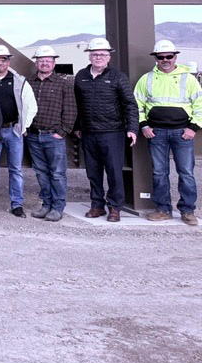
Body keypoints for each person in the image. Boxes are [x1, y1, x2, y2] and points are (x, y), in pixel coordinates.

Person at [135, 39, 202, 226]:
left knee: (186, 172)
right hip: (156, 133)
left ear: (175, 57)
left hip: (182, 133)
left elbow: (200, 105)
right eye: (160, 56)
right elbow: (137, 105)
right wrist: (144, 126)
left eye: (168, 56)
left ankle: (187, 210)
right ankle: (163, 209)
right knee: (159, 172)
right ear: (155, 58)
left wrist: (193, 128)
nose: (165, 59)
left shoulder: (188, 78)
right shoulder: (146, 79)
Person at [73, 38, 137, 222]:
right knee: (93, 172)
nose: (98, 57)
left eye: (102, 54)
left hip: (113, 132)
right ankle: (97, 205)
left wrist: (132, 128)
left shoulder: (118, 77)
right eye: (95, 54)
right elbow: (76, 104)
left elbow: (130, 104)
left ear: (109, 57)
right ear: (90, 56)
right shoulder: (81, 76)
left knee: (114, 172)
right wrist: (77, 126)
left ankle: (115, 208)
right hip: (88, 132)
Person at [0, 45, 38, 217]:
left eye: (3, 59)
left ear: (8, 61)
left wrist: (22, 127)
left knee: (16, 170)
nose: (0, 62)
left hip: (13, 130)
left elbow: (31, 106)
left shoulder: (19, 81)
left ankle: (17, 204)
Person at [26, 45, 77, 222]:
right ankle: (46, 204)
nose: (45, 63)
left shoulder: (63, 84)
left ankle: (57, 207)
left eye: (48, 61)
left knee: (57, 173)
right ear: (36, 62)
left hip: (53, 136)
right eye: (41, 60)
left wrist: (62, 132)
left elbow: (70, 110)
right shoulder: (29, 82)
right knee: (41, 172)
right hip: (33, 135)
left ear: (54, 63)